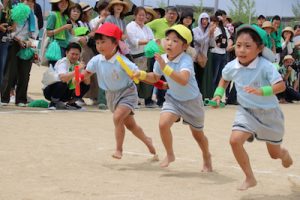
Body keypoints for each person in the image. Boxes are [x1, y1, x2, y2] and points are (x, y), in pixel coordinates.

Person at [212, 24, 293, 190]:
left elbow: (281, 86)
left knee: (274, 154)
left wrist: (261, 91)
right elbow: (224, 78)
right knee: (234, 141)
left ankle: (283, 154)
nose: (241, 50)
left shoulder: (266, 66)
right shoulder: (232, 65)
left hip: (270, 115)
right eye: (239, 45)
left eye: (248, 46)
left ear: (259, 48)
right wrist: (218, 94)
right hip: (246, 111)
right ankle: (250, 177)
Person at [133, 24, 212, 171]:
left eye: (175, 41)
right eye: (168, 39)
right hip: (174, 99)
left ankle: (207, 156)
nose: (169, 43)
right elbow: (155, 77)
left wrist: (165, 68)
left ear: (184, 46)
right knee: (163, 124)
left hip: (192, 101)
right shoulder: (162, 59)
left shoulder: (186, 59)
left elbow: (183, 79)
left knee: (198, 135)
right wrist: (141, 74)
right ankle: (170, 155)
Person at [80, 23, 157, 160]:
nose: (99, 46)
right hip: (111, 95)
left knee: (117, 118)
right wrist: (77, 79)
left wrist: (138, 75)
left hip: (127, 93)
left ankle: (118, 149)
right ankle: (147, 141)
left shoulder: (123, 61)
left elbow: (138, 74)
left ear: (115, 43)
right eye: (97, 42)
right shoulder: (96, 60)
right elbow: (86, 73)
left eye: (103, 42)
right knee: (131, 125)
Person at [1, 0, 38, 106]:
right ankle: (4, 98)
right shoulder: (14, 13)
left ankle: (21, 99)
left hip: (27, 45)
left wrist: (29, 42)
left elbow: (35, 32)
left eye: (32, 2)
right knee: (10, 71)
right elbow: (10, 30)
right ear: (22, 2)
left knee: (25, 73)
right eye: (28, 1)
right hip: (13, 43)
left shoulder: (33, 17)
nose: (30, 4)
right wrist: (19, 40)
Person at [43, 42, 90, 110]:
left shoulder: (78, 64)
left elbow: (87, 81)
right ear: (66, 53)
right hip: (50, 91)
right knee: (62, 82)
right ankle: (53, 103)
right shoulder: (63, 62)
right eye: (72, 54)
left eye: (77, 54)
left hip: (66, 92)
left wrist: (85, 72)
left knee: (86, 84)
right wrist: (78, 70)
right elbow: (63, 78)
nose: (74, 56)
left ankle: (71, 103)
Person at [126, 7, 155, 108]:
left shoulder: (147, 28)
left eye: (144, 15)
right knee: (134, 78)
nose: (142, 17)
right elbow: (134, 42)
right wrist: (149, 41)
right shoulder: (130, 26)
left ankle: (146, 99)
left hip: (146, 56)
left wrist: (151, 42)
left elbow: (152, 39)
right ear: (135, 15)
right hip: (133, 56)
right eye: (140, 15)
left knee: (145, 78)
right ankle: (132, 100)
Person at [46, 0, 72, 67]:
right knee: (55, 72)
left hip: (66, 47)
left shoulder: (66, 17)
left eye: (66, 2)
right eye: (61, 2)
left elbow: (71, 34)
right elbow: (48, 33)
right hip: (56, 48)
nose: (64, 4)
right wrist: (63, 27)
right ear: (56, 3)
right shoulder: (53, 15)